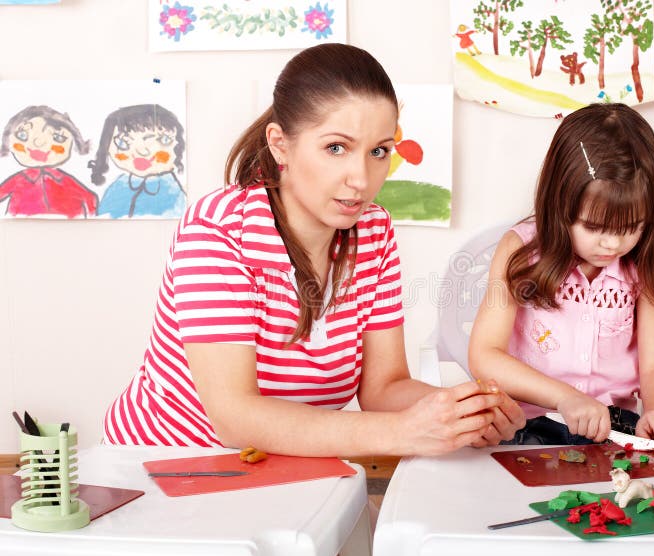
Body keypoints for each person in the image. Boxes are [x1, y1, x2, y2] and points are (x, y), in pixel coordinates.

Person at [104, 43, 524, 456]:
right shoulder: (218, 231)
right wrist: (403, 431)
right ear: (280, 144)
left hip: (283, 469)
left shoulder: (373, 231)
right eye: (336, 148)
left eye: (379, 151)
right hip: (162, 462)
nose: (360, 178)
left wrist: (458, 412)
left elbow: (383, 387)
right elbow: (235, 418)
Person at [468, 103, 654, 446]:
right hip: (530, 421)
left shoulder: (639, 266)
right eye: (594, 226)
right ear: (559, 204)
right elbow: (485, 355)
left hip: (615, 428)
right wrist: (565, 397)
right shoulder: (520, 251)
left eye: (631, 227)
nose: (613, 243)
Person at [90, 104, 186, 218]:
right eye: (123, 143)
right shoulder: (117, 187)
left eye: (162, 140)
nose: (142, 151)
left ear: (178, 145)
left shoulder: (174, 194)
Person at [0, 105, 97, 218]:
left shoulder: (67, 181)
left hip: (70, 226)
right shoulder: (19, 180)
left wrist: (92, 218)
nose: (39, 143)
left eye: (58, 137)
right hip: (20, 226)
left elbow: (91, 199)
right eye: (23, 135)